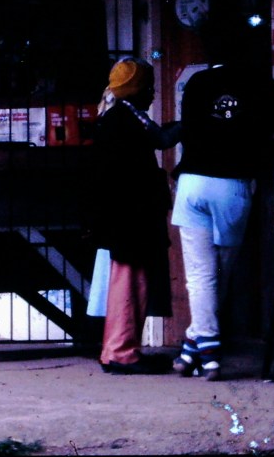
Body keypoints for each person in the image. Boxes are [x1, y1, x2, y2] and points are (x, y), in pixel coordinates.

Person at [169, 36, 274, 380]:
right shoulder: (259, 83)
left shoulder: (197, 83)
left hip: (192, 183)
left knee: (200, 275)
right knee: (221, 272)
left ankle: (193, 346)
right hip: (232, 186)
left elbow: (190, 126)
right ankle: (210, 350)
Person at [87, 57, 174, 375]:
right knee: (130, 283)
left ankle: (118, 348)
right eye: (148, 86)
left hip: (122, 216)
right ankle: (122, 351)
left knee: (127, 281)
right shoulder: (125, 120)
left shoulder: (117, 116)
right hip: (129, 217)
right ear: (135, 90)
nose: (152, 93)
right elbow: (161, 139)